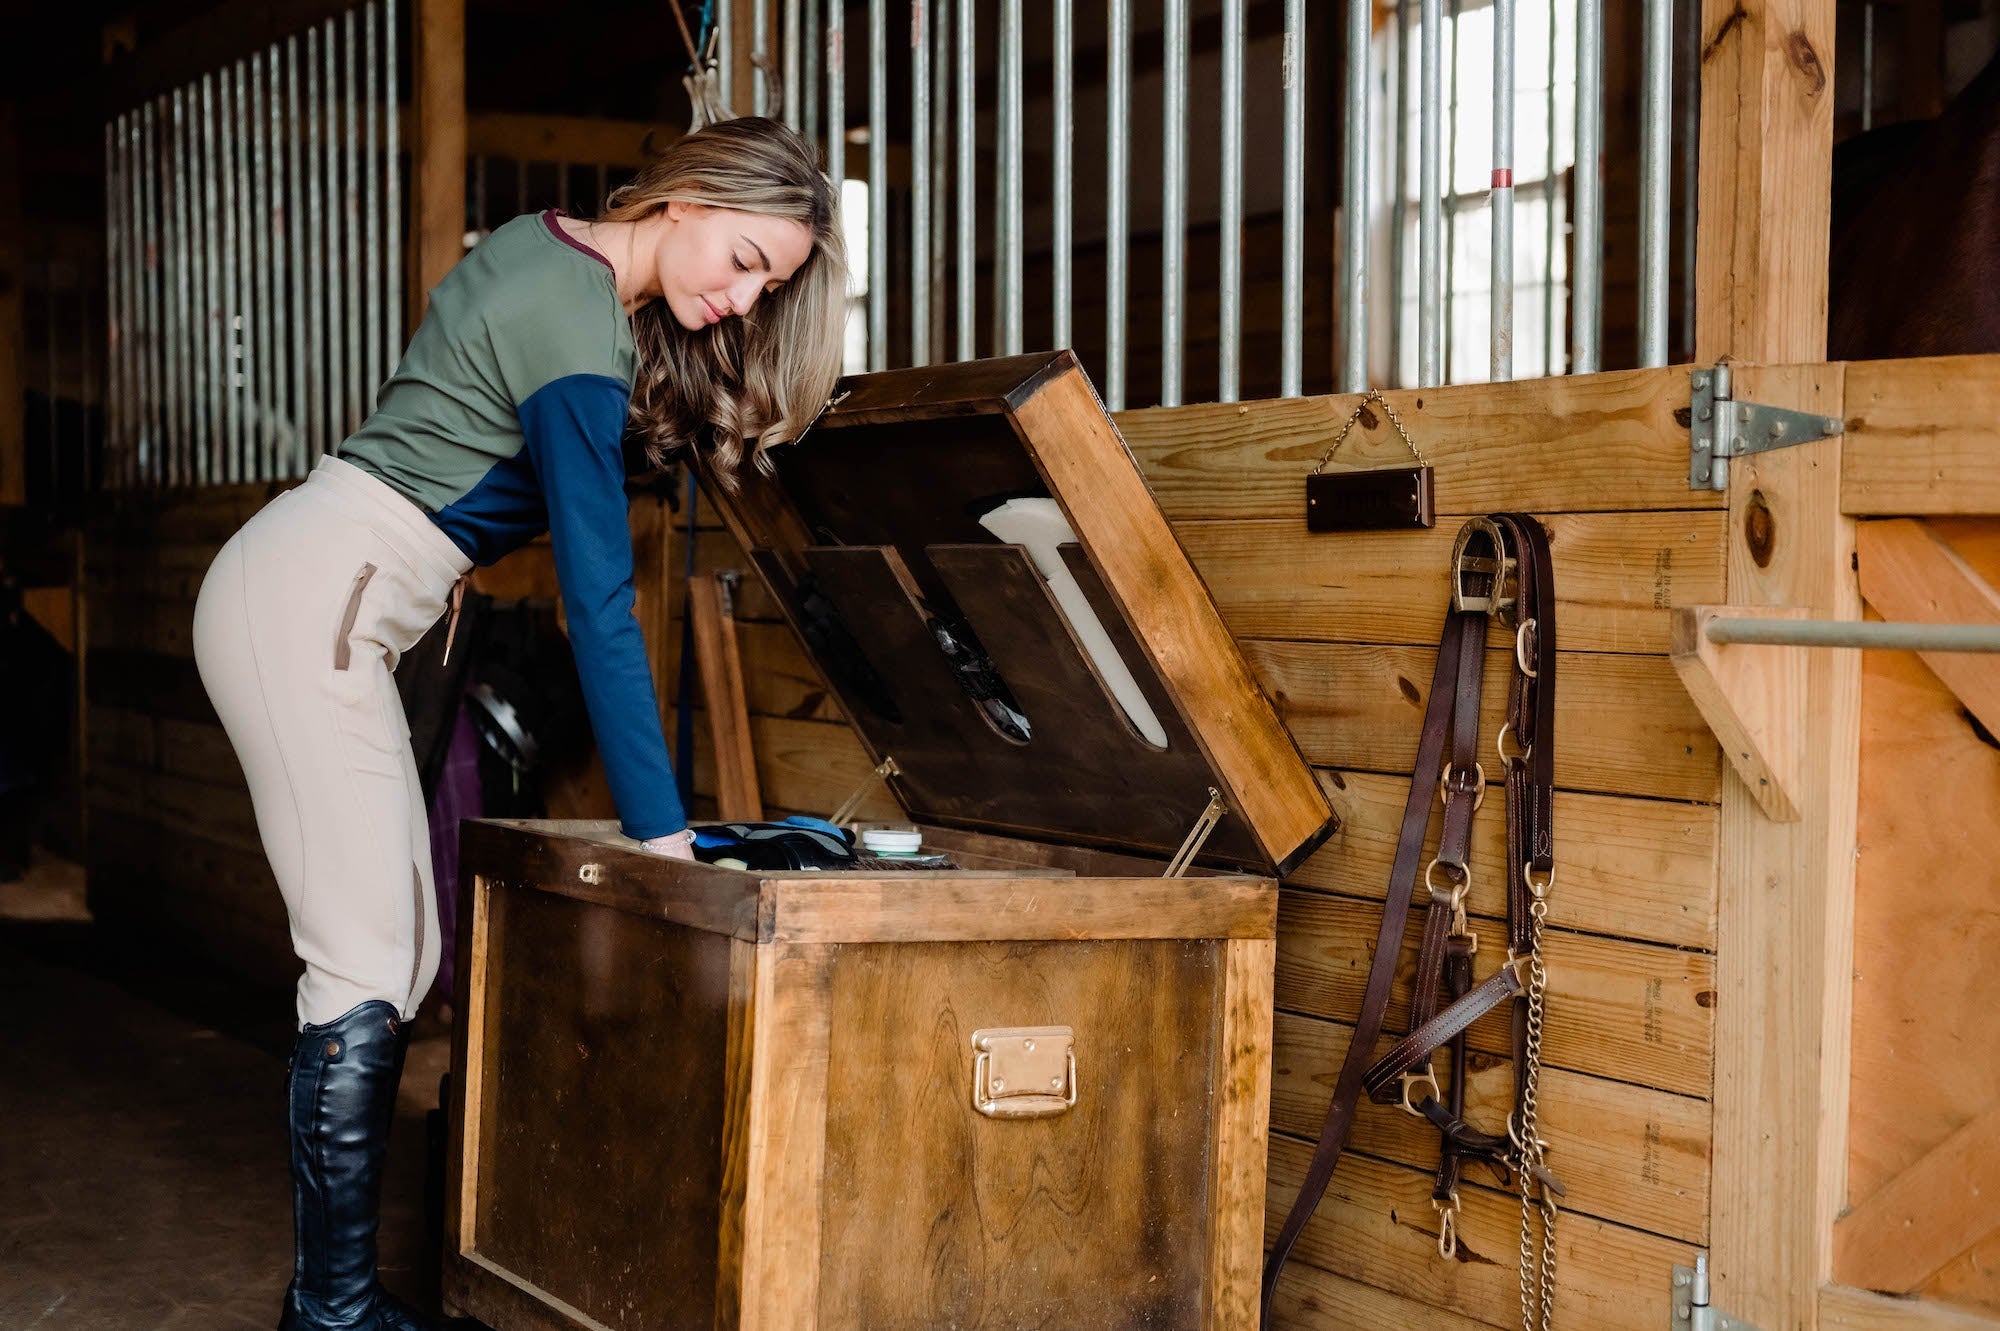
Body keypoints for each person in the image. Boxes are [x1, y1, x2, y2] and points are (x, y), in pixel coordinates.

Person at [191, 116, 847, 1330]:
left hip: (324, 591)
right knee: (362, 959)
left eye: (771, 287)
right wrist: (662, 831)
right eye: (748, 259)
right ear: (690, 197)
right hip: (318, 595)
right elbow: (598, 602)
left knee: (402, 956)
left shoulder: (544, 256)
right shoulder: (574, 327)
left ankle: (335, 1302)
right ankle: (329, 1312)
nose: (745, 299)